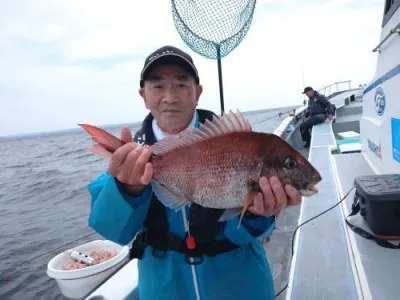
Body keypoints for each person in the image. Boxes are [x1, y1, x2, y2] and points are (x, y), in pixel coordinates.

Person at [87, 45, 302, 300]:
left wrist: (258, 214)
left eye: (181, 84)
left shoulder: (235, 143)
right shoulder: (131, 159)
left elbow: (243, 232)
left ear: (197, 93)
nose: (170, 96)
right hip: (164, 289)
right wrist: (127, 189)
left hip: (241, 286)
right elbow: (113, 231)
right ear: (143, 95)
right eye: (157, 86)